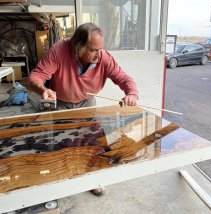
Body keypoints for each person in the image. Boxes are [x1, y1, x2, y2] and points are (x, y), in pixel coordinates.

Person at [28, 22, 139, 196]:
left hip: (87, 101)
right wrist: (43, 89)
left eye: (100, 49)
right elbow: (36, 76)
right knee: (62, 142)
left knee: (93, 142)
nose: (98, 54)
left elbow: (123, 78)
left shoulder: (103, 57)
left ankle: (92, 179)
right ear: (78, 46)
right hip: (61, 103)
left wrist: (131, 93)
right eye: (93, 50)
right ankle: (64, 177)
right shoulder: (60, 50)